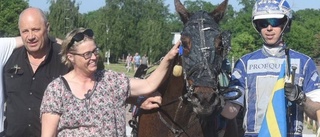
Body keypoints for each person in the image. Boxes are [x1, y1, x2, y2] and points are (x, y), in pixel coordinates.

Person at [40, 27, 179, 136]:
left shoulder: (111, 81)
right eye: (87, 54)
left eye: (95, 51)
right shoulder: (56, 90)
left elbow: (149, 84)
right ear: (71, 57)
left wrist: (169, 57)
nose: (94, 57)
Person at [220, 0, 320, 136]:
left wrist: (301, 98)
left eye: (274, 21)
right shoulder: (244, 64)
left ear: (286, 24)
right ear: (257, 26)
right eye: (263, 23)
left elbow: (317, 113)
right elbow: (230, 112)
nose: (269, 28)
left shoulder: (305, 63)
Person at [3, 8, 70, 137]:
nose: (31, 37)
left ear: (47, 28)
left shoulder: (65, 59)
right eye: (25, 31)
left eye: (36, 30)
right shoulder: (9, 59)